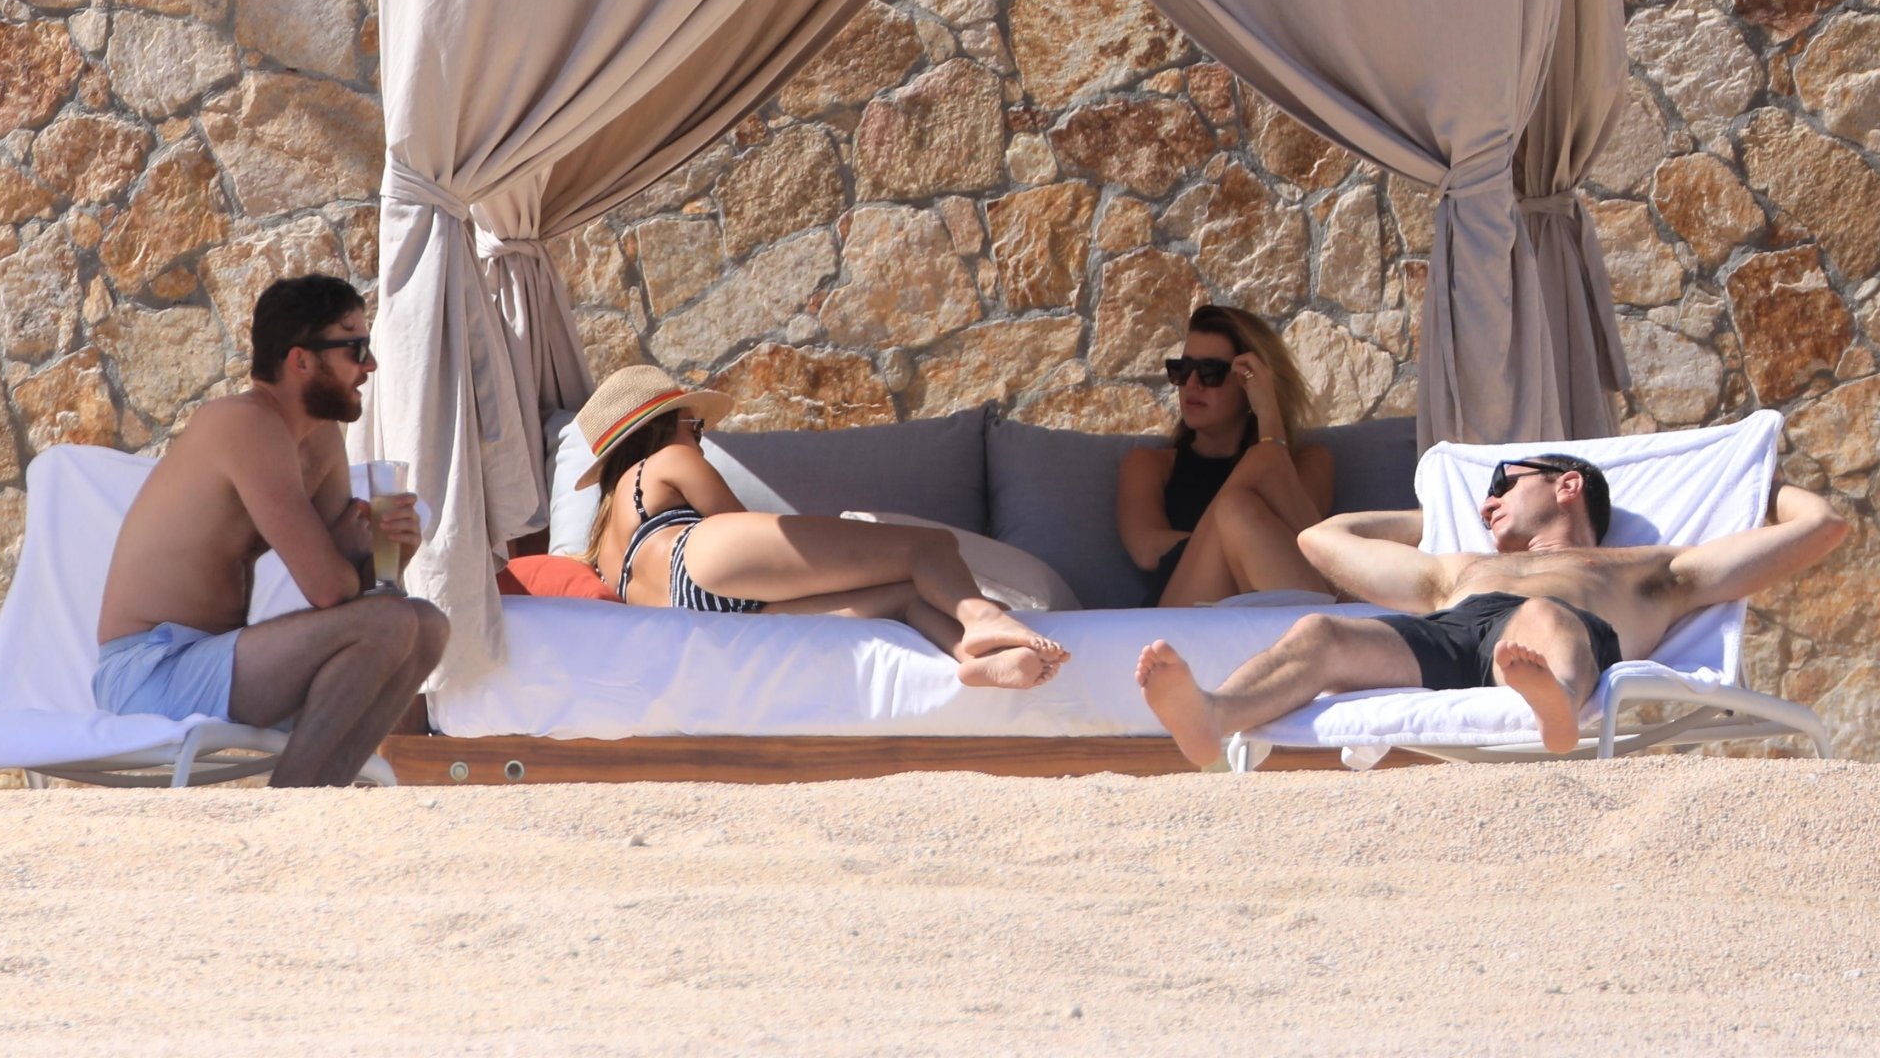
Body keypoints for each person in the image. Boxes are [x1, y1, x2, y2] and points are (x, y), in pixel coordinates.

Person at [1137, 451, 1849, 762]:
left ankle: (1555, 706)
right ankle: (1215, 714)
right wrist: (1430, 518)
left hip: (1557, 633)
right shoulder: (1457, 567)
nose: (1487, 502)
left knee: (1543, 617)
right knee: (1322, 631)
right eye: (1482, 496)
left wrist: (1759, 483)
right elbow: (1321, 538)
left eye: (1505, 483)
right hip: (1454, 633)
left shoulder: (1652, 568)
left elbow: (1822, 527)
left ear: (1568, 486)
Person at [95, 275, 448, 788]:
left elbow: (359, 596)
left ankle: (317, 799)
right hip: (150, 670)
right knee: (391, 623)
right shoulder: (245, 424)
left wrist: (393, 552)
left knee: (427, 625)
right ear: (301, 360)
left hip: (215, 658)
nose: (369, 364)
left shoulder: (320, 437)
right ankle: (290, 806)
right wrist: (350, 554)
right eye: (354, 347)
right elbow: (330, 589)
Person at [577, 365, 1069, 688]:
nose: (700, 439)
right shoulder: (669, 458)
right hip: (702, 561)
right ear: (664, 426)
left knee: (905, 596)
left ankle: (974, 659)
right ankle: (981, 616)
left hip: (701, 618)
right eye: (695, 425)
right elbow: (744, 529)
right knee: (927, 547)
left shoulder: (603, 540)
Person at [1116, 303, 1334, 606]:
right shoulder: (1149, 464)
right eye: (1182, 370)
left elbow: (1304, 544)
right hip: (1181, 614)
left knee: (1240, 503)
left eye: (1210, 372)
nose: (1192, 384)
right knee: (1236, 506)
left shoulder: (1311, 462)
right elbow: (1147, 549)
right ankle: (1354, 612)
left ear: (1251, 384)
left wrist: (1268, 415)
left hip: (1272, 602)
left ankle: (1331, 626)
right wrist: (1234, 537)